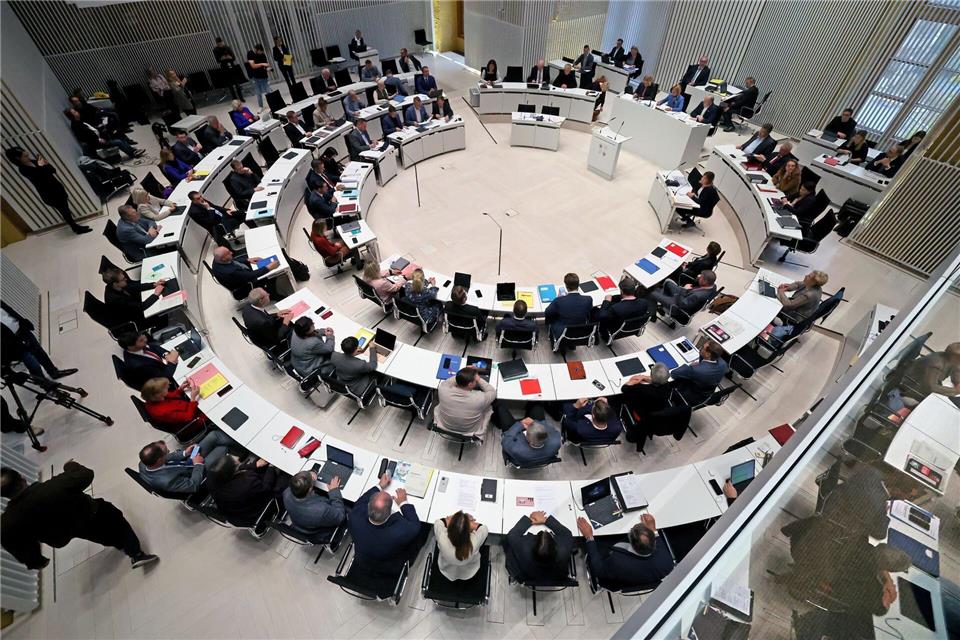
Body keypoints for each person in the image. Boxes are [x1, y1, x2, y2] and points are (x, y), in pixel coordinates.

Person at [1, 463, 158, 570]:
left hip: (69, 531)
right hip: (93, 513)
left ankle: (118, 543)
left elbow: (13, 542)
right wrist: (70, 465)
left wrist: (36, 561)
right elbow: (86, 474)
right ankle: (136, 554)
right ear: (22, 478)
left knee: (97, 535)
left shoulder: (8, 521)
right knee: (118, 524)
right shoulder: (54, 487)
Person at [349, 473, 428, 576]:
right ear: (390, 511)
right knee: (424, 531)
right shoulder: (400, 531)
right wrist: (403, 502)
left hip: (363, 560)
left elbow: (361, 501)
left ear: (368, 506)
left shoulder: (355, 516)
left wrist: (380, 486)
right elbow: (415, 526)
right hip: (389, 567)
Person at [4, 147, 91, 234]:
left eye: (27, 155)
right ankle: (75, 228)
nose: (28, 157)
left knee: (66, 209)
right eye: (25, 156)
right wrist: (42, 166)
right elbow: (41, 178)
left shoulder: (34, 161)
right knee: (64, 211)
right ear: (18, 159)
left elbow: (53, 170)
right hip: (49, 194)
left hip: (57, 188)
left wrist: (45, 164)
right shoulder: (24, 170)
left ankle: (75, 227)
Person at [579, 514, 673, 586]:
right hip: (642, 578)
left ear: (630, 541)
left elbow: (597, 570)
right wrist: (653, 530)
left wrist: (589, 537)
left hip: (619, 578)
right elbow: (659, 543)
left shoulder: (617, 561)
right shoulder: (668, 563)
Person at [138, 430, 233, 494]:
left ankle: (238, 438)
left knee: (214, 435)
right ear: (159, 460)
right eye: (167, 451)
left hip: (188, 462)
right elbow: (193, 485)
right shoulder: (168, 482)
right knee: (222, 448)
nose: (169, 451)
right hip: (197, 472)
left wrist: (185, 453)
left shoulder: (144, 461)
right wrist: (198, 464)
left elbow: (167, 457)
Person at [0, 300, 77, 380]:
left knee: (40, 352)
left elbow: (10, 311)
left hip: (22, 329)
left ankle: (54, 373)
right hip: (12, 341)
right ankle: (46, 386)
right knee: (33, 364)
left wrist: (23, 321)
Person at [207, 454, 288, 525]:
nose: (238, 458)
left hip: (236, 509)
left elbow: (238, 469)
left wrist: (255, 465)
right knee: (285, 476)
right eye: (236, 462)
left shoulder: (214, 478)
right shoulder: (247, 484)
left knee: (258, 462)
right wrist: (271, 467)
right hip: (254, 512)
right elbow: (266, 487)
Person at [505, 512, 574, 583]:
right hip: (555, 577)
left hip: (526, 575)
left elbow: (512, 535)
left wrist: (530, 519)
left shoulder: (524, 547)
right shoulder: (563, 549)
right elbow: (566, 533)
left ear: (534, 541)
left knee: (508, 543)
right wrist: (545, 520)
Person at [435, 366, 497, 440]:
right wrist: (479, 378)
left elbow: (449, 381)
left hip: (446, 425)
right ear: (470, 384)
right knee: (489, 406)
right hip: (469, 430)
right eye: (475, 381)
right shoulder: (479, 398)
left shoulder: (442, 388)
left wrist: (462, 374)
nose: (476, 382)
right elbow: (492, 392)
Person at [766, 270, 829, 340]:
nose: (806, 275)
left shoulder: (810, 295)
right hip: (796, 308)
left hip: (794, 316)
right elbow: (798, 284)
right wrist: (788, 287)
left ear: (813, 282)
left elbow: (789, 305)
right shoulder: (814, 286)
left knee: (768, 302)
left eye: (809, 276)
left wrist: (781, 292)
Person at [283, 471, 346, 539]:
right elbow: (340, 517)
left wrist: (309, 476)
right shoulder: (321, 510)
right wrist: (334, 490)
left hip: (301, 525)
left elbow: (298, 481)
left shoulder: (287, 493)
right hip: (318, 532)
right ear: (310, 489)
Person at [139, 377, 208, 439]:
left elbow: (171, 396)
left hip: (185, 407)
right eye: (166, 388)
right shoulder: (163, 412)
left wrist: (180, 389)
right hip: (192, 421)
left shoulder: (153, 398)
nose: (168, 387)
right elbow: (189, 417)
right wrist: (193, 398)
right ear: (158, 394)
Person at [101, 266, 166, 329]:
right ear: (115, 283)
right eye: (123, 279)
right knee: (165, 314)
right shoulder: (115, 300)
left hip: (135, 305)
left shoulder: (115, 286)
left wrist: (153, 284)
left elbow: (135, 287)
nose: (126, 279)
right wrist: (155, 294)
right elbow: (141, 307)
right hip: (136, 319)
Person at [65, 108, 143, 159]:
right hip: (96, 142)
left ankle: (133, 150)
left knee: (117, 134)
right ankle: (133, 153)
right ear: (72, 116)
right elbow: (86, 137)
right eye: (75, 112)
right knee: (118, 142)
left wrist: (98, 127)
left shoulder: (79, 122)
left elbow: (90, 129)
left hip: (98, 136)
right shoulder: (76, 126)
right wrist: (98, 139)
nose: (77, 112)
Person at [434, 511, 488, 581]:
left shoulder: (442, 536)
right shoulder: (474, 542)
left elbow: (438, 522)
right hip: (469, 572)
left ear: (449, 528)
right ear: (469, 530)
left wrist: (456, 520)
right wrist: (468, 523)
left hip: (447, 570)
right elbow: (484, 528)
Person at [649, 270, 718, 321]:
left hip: (677, 306)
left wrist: (684, 289)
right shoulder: (713, 286)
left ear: (705, 281)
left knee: (652, 293)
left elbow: (681, 304)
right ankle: (663, 304)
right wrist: (697, 279)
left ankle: (652, 316)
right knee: (668, 282)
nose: (699, 276)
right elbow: (700, 285)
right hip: (686, 295)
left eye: (701, 277)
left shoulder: (698, 296)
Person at [211, 246, 279, 295]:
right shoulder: (231, 272)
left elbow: (232, 260)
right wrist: (269, 268)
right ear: (223, 259)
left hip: (241, 273)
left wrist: (247, 260)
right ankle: (273, 294)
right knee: (272, 275)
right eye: (228, 253)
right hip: (246, 285)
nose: (231, 253)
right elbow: (251, 275)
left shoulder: (217, 259)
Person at [545, 273, 593, 340]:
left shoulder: (559, 301)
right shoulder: (588, 299)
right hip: (581, 330)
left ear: (566, 286)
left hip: (562, 331)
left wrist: (559, 299)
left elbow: (548, 312)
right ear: (578, 285)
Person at [246, 44, 271, 109]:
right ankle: (261, 106)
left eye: (262, 51)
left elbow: (266, 64)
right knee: (258, 93)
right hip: (256, 77)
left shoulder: (263, 55)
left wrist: (267, 67)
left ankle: (272, 103)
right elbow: (253, 66)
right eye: (260, 51)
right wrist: (262, 64)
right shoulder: (251, 54)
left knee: (268, 91)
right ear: (256, 50)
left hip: (264, 76)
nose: (261, 52)